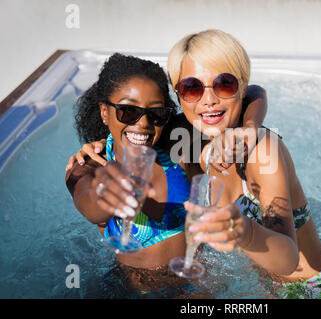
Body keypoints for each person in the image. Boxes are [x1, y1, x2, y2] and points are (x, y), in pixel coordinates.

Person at [166, 29, 321, 299]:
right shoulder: (187, 140)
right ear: (178, 95)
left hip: (317, 291)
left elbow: (288, 257)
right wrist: (95, 146)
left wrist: (244, 232)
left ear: (241, 87)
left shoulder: (263, 150)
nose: (209, 99)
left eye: (224, 84)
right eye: (192, 87)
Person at [65, 52, 268, 295]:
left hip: (194, 287)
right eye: (128, 112)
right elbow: (86, 199)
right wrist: (105, 196)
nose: (143, 124)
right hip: (129, 289)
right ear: (105, 112)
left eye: (156, 113)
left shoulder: (175, 144)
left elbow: (252, 93)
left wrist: (248, 129)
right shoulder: (91, 164)